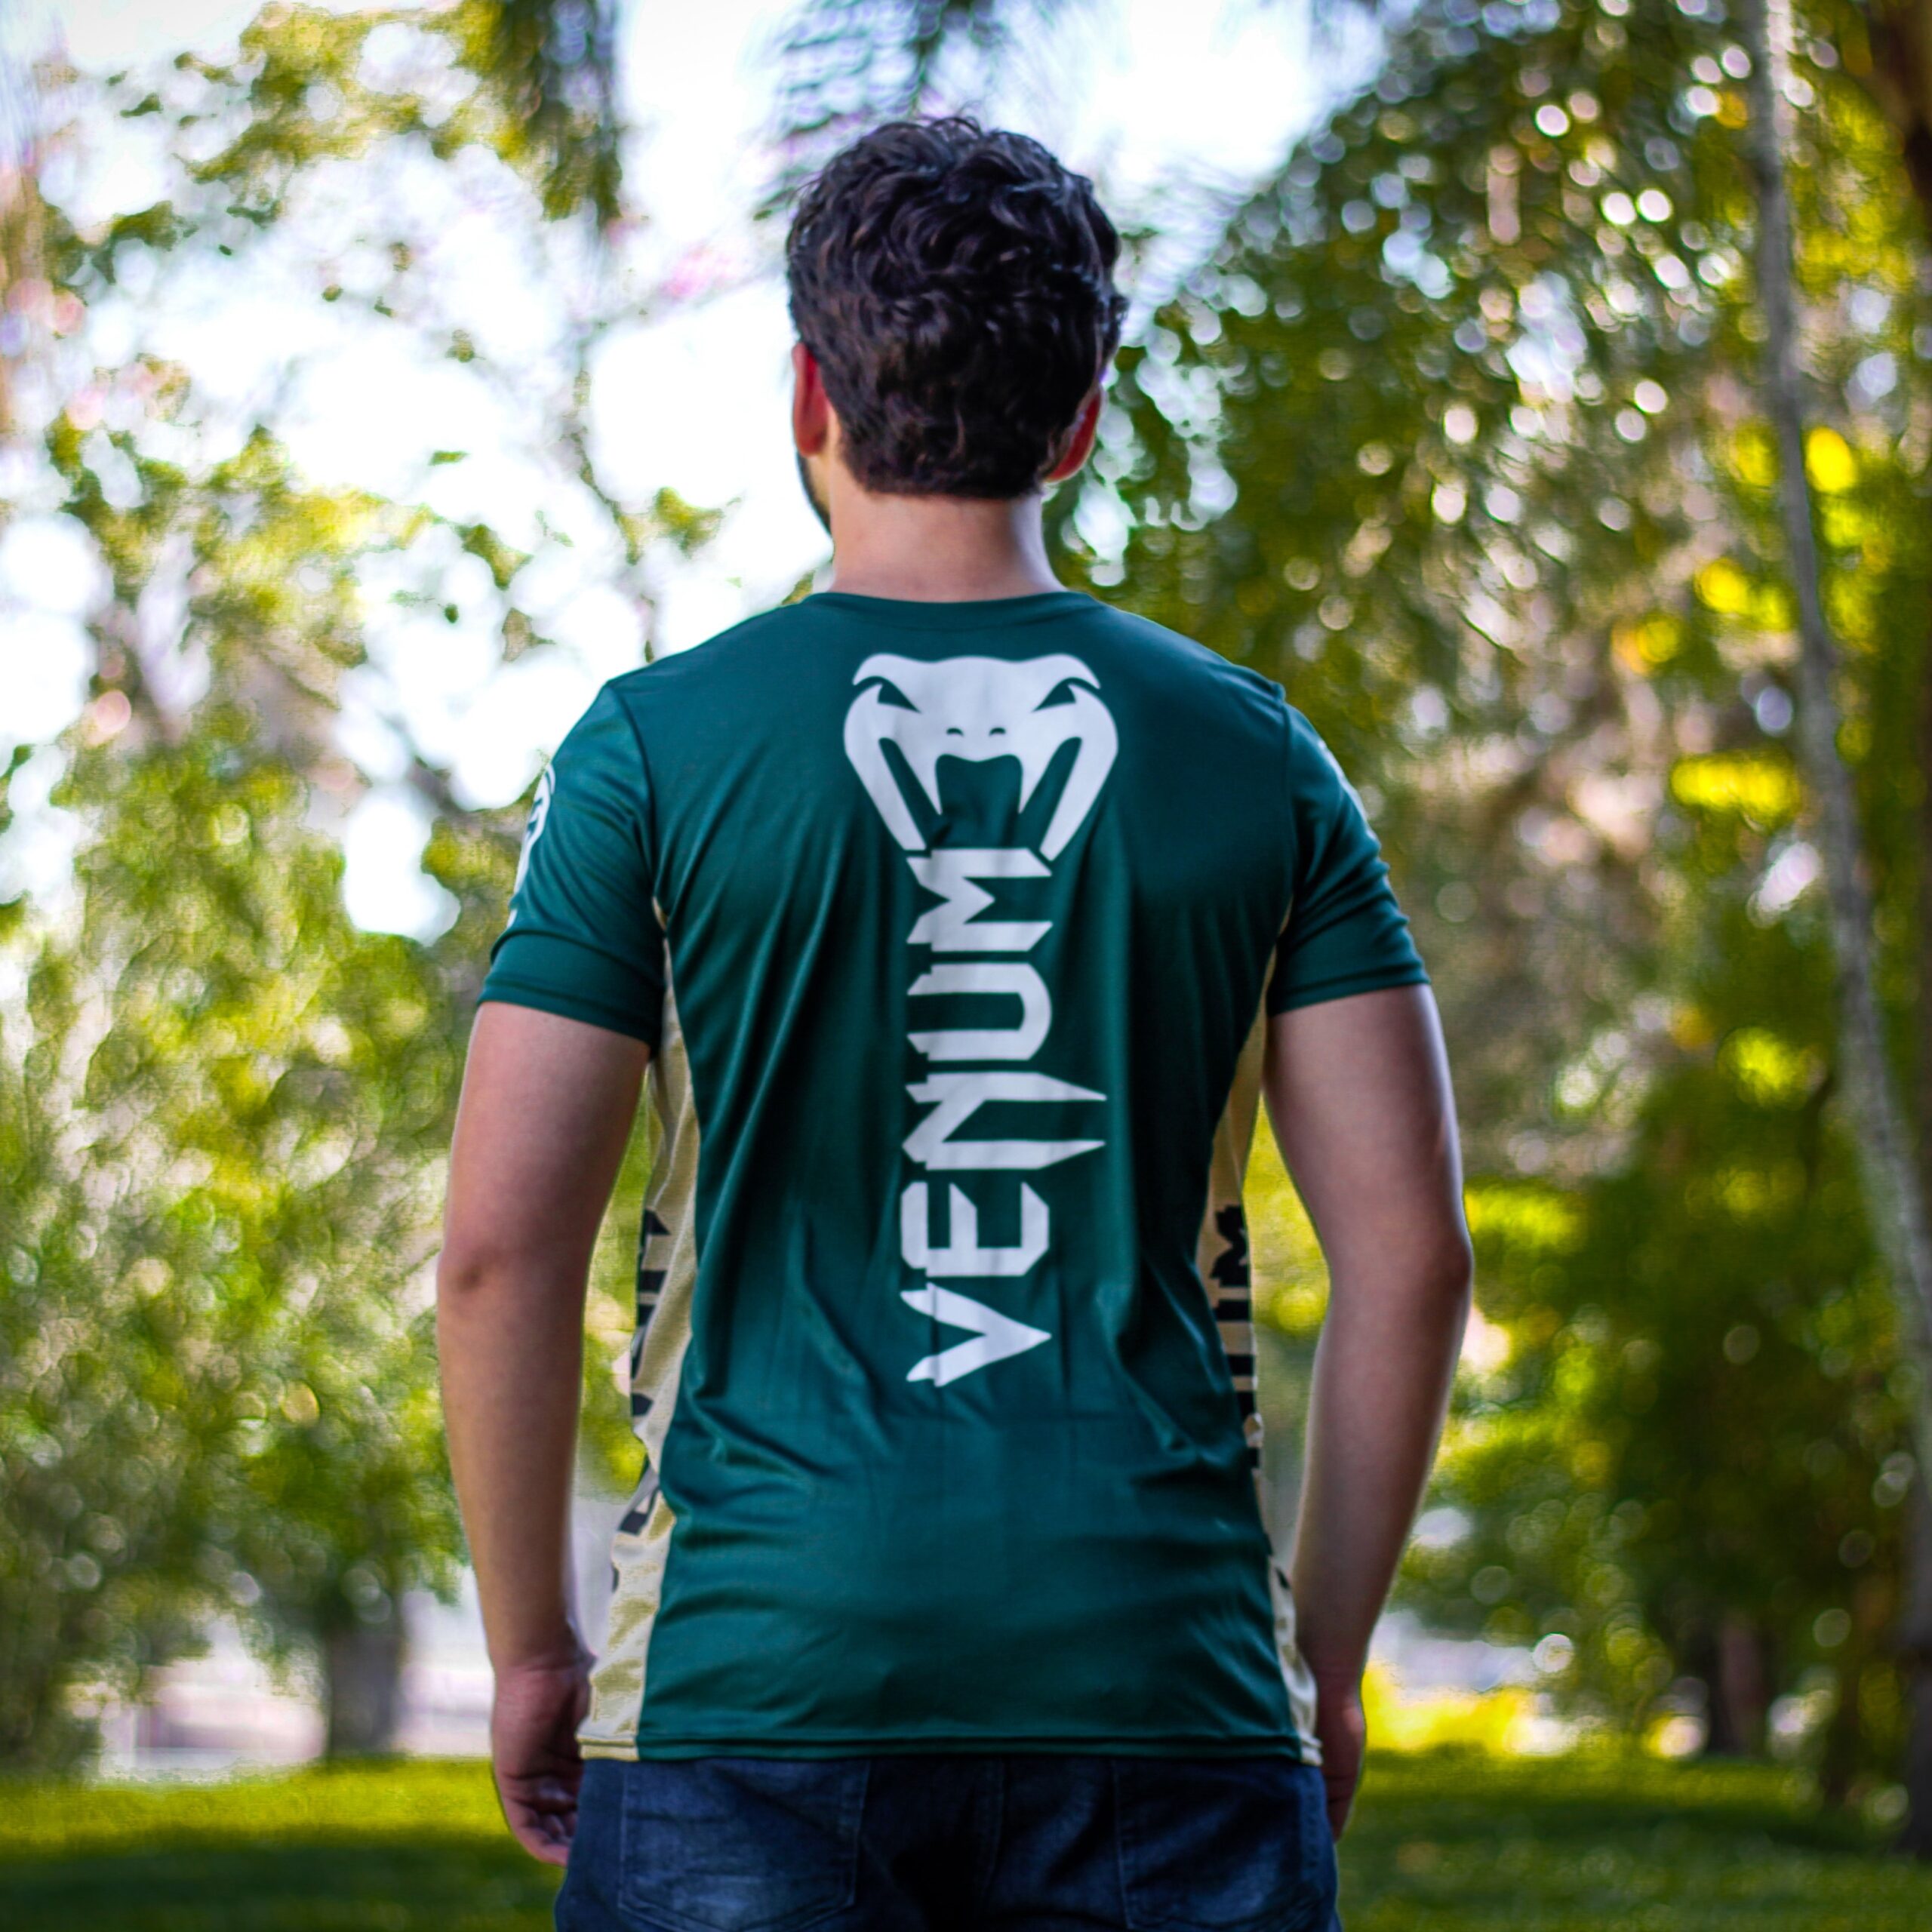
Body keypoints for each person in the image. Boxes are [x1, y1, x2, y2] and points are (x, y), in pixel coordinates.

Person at [437, 116, 1472, 1932]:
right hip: (1165, 1684)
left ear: (806, 396)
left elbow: (497, 1252)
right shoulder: (1254, 755)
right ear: (1077, 423)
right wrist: (1314, 1661)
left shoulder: (651, 750)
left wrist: (533, 1647)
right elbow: (1411, 1258)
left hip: (744, 1684)